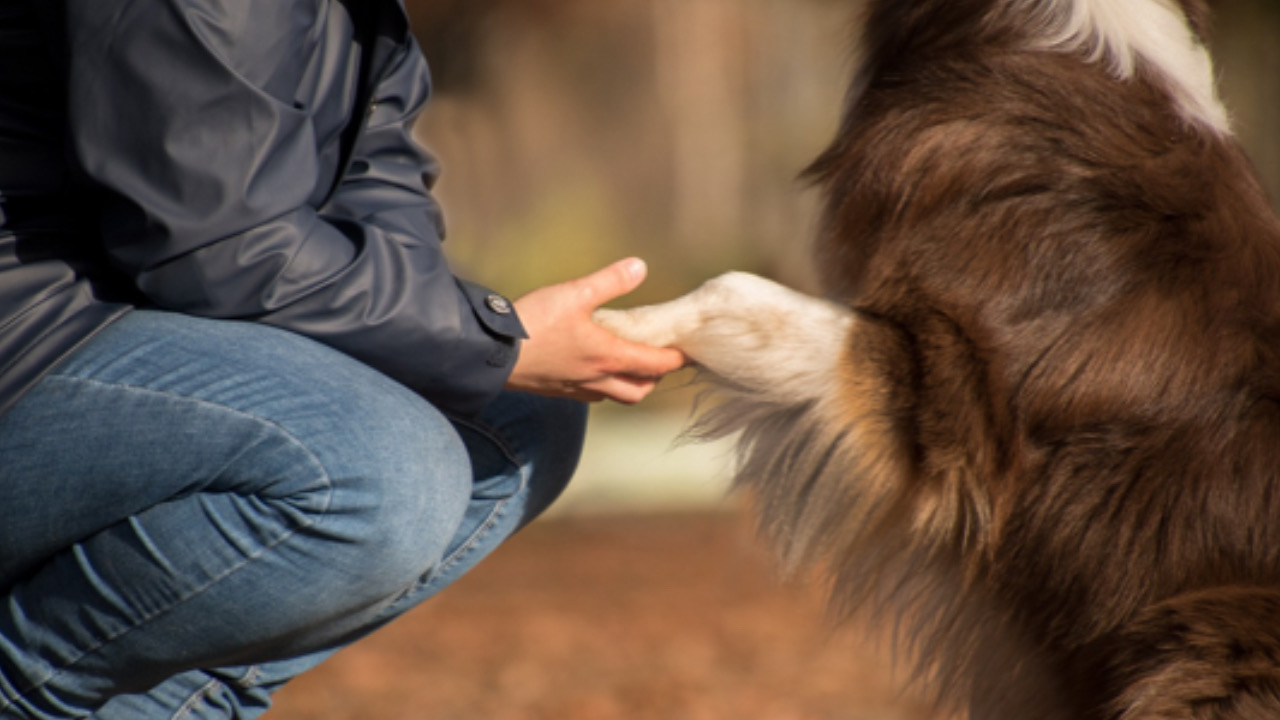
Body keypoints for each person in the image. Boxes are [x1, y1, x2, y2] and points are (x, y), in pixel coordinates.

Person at [0, 0, 686, 717]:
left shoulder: (363, 18)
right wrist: (491, 343)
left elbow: (379, 205)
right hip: (30, 343)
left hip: (124, 326)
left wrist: (489, 351)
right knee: (378, 471)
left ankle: (165, 704)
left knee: (515, 416)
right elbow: (217, 251)